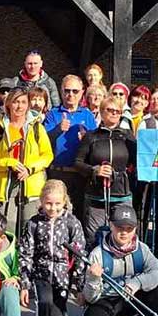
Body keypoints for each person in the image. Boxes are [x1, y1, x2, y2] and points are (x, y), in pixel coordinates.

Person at [80, 204, 158, 316]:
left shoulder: (142, 249)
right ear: (111, 226)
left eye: (129, 228)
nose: (124, 232)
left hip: (130, 299)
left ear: (135, 229)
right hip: (104, 300)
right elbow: (90, 298)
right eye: (120, 227)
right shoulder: (97, 254)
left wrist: (137, 283)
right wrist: (94, 278)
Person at [19, 179, 86, 316]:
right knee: (44, 302)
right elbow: (25, 254)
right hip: (41, 273)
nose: (53, 208)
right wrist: (25, 284)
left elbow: (79, 255)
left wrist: (79, 286)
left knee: (57, 315)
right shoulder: (34, 223)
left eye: (57, 204)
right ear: (41, 201)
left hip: (62, 276)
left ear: (65, 202)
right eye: (48, 203)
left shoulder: (72, 223)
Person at [0, 89, 53, 235]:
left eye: (23, 102)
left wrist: (29, 169)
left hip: (31, 187)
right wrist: (8, 163)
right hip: (6, 187)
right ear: (8, 104)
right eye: (15, 102)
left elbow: (47, 156)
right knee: (7, 231)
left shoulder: (37, 128)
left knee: (29, 230)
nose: (19, 106)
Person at [74, 96, 138, 244]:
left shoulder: (128, 136)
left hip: (122, 194)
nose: (114, 113)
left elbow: (137, 162)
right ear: (102, 112)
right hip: (96, 195)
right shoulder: (91, 136)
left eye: (118, 111)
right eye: (110, 110)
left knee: (123, 237)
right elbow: (78, 163)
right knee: (94, 238)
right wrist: (94, 170)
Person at [44, 74, 96, 216]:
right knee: (55, 215)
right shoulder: (53, 114)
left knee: (78, 216)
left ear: (82, 92)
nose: (70, 94)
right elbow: (43, 141)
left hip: (80, 174)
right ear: (61, 91)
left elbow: (95, 145)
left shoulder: (87, 115)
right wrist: (57, 129)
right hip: (58, 173)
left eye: (75, 91)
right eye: (67, 91)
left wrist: (86, 138)